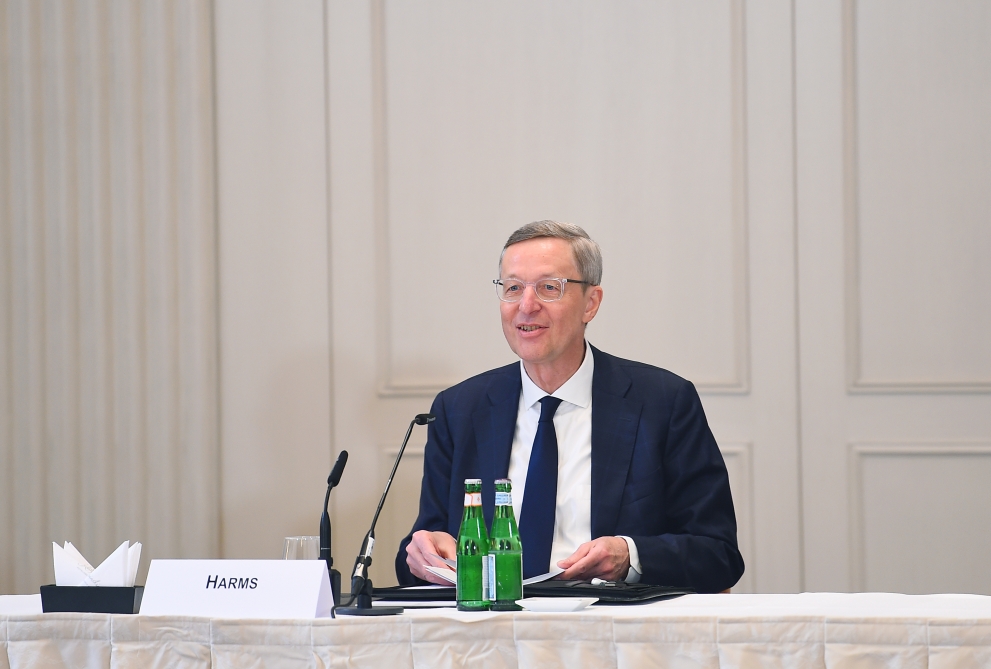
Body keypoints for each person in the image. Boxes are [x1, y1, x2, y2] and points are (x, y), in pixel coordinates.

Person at [395, 221, 744, 593]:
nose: (526, 306)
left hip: (609, 621)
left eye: (549, 288)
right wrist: (421, 554)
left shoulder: (663, 403)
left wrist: (630, 556)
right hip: (493, 623)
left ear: (590, 303)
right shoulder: (460, 410)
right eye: (513, 288)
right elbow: (421, 554)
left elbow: (718, 554)